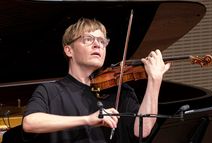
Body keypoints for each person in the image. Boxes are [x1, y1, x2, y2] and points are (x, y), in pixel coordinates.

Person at [22, 18, 171, 143]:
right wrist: (88, 119)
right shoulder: (50, 91)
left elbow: (143, 129)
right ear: (69, 50)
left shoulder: (120, 90)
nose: (97, 44)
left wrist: (154, 80)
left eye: (102, 41)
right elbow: (30, 123)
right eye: (88, 39)